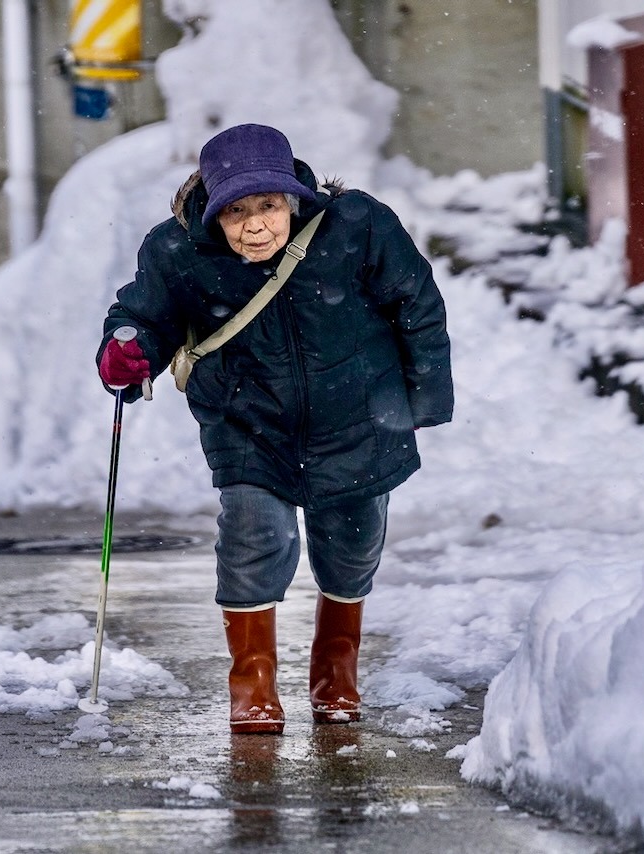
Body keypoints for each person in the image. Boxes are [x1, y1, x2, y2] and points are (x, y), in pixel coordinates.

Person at [97, 123, 453, 734]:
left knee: (352, 543)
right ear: (211, 211)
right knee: (254, 535)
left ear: (294, 198)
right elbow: (141, 317)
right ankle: (253, 679)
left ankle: (335, 667)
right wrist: (125, 353)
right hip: (247, 421)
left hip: (357, 413)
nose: (255, 226)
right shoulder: (178, 251)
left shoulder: (357, 226)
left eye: (267, 206)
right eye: (235, 212)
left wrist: (419, 401)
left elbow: (417, 304)